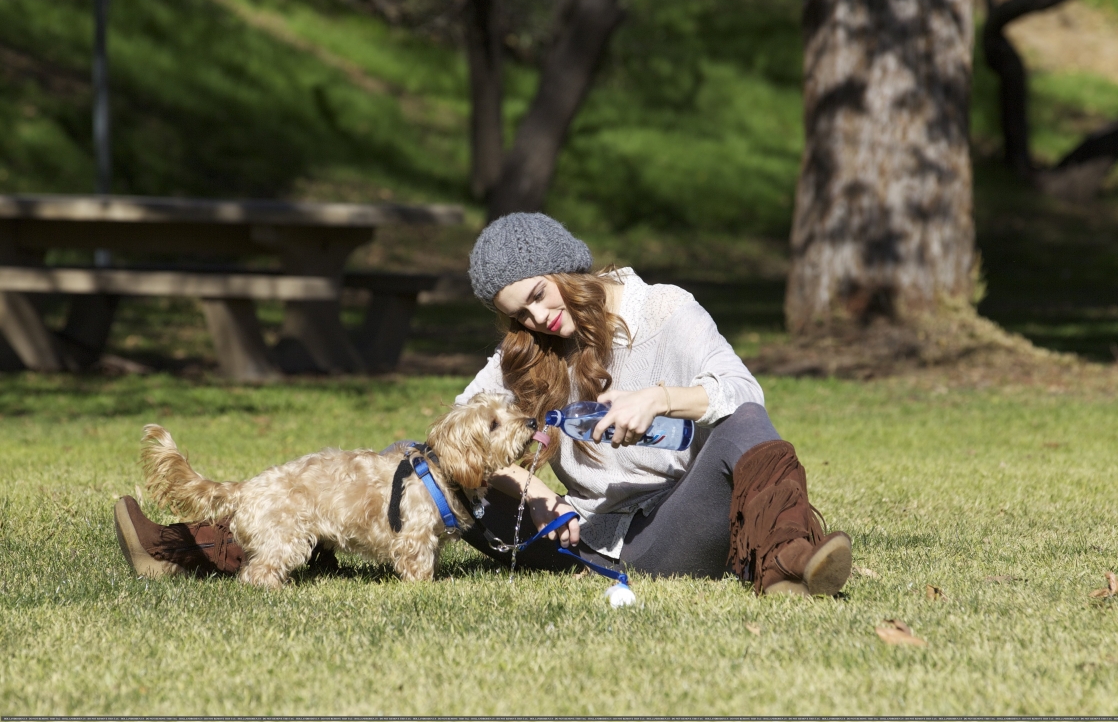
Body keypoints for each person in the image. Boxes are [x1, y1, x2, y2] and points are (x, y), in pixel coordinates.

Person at [113, 212, 851, 596]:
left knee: (747, 426)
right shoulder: (529, 349)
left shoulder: (669, 312)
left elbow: (742, 393)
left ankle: (786, 565)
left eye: (538, 294)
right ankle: (187, 546)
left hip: (672, 526)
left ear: (564, 266)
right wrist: (527, 482)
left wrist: (663, 396)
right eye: (517, 313)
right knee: (429, 475)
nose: (536, 319)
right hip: (587, 535)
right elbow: (452, 432)